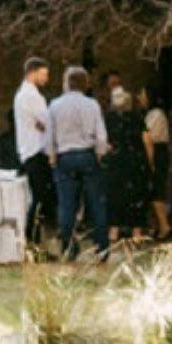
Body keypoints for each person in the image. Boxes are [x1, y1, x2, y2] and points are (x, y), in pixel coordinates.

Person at [50, 67, 111, 260]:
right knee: (96, 203)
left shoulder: (55, 105)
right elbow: (101, 135)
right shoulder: (92, 105)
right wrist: (100, 153)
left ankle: (69, 246)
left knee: (66, 204)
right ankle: (102, 247)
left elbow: (49, 136)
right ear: (85, 84)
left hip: (65, 156)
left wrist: (51, 155)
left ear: (67, 83)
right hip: (87, 154)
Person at [13, 59, 56, 242]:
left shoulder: (23, 95)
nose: (46, 78)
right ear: (33, 72)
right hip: (36, 151)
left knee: (39, 199)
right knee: (40, 200)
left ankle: (34, 242)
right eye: (44, 74)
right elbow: (47, 122)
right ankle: (33, 243)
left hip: (28, 150)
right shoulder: (32, 96)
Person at [102, 87, 149, 244]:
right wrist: (150, 162)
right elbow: (146, 140)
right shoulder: (137, 117)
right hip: (135, 160)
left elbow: (103, 141)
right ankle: (136, 233)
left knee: (115, 195)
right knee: (135, 195)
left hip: (115, 161)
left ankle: (113, 232)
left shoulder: (108, 118)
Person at [140, 89, 172, 238]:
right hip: (155, 150)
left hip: (156, 152)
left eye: (142, 94)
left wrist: (150, 161)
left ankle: (165, 225)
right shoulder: (150, 114)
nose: (139, 97)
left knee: (156, 190)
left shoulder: (156, 114)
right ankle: (157, 225)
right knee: (153, 190)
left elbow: (148, 137)